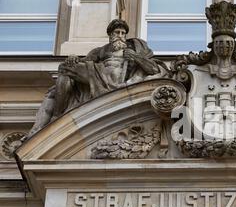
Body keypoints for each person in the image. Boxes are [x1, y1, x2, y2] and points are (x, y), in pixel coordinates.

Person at [26, 19, 168, 138]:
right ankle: (56, 116)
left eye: (123, 33)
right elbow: (85, 61)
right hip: (97, 75)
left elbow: (153, 69)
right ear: (110, 35)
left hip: (120, 81)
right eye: (116, 33)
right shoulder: (101, 51)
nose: (120, 36)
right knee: (65, 69)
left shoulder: (135, 49)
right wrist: (74, 59)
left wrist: (136, 57)